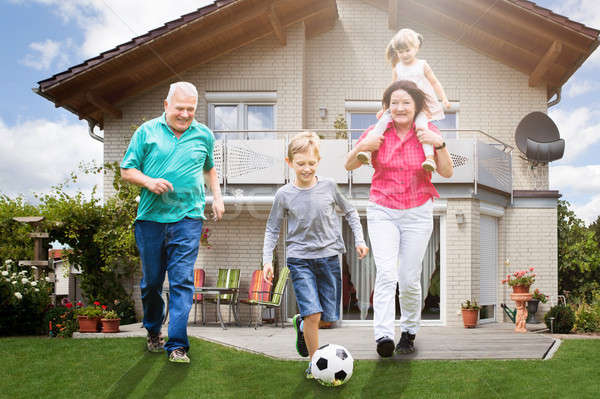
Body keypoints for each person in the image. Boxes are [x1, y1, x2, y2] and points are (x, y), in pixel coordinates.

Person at [345, 80, 453, 357]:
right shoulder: (378, 131)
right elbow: (348, 164)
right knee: (386, 273)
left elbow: (447, 172)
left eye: (406, 102)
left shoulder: (428, 131)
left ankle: (408, 331)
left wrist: (439, 145)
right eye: (394, 103)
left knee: (407, 277)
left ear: (416, 105)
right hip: (383, 209)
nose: (400, 107)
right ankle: (383, 335)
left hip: (418, 211)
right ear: (387, 106)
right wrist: (364, 146)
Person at [120, 81, 224, 363]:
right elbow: (127, 170)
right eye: (180, 108)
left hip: (188, 218)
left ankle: (177, 344)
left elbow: (210, 168)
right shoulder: (147, 132)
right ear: (166, 105)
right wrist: (148, 181)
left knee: (182, 281)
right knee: (152, 283)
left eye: (191, 109)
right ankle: (153, 329)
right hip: (151, 220)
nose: (186, 114)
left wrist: (217, 197)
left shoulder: (203, 135)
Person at [262, 132, 369, 381]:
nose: (306, 168)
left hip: (330, 258)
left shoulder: (329, 186)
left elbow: (351, 212)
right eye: (300, 164)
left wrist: (360, 241)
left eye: (311, 163)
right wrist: (268, 260)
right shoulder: (284, 195)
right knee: (314, 314)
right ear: (289, 163)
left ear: (318, 161)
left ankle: (302, 325)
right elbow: (272, 228)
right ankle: (313, 364)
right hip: (299, 260)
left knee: (327, 319)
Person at [357, 28, 451, 172]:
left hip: (419, 106)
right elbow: (392, 90)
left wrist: (443, 98)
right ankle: (368, 152)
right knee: (381, 123)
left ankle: (429, 158)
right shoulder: (397, 68)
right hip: (400, 104)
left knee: (421, 127)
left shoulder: (422, 65)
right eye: (400, 52)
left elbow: (434, 82)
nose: (404, 54)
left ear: (416, 47)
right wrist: (384, 108)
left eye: (407, 50)